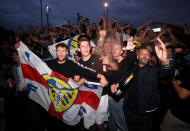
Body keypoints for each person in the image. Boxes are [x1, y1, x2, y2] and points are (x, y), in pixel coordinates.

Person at [111, 38, 174, 131]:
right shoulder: (132, 69)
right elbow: (124, 79)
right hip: (129, 110)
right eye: (142, 54)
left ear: (149, 57)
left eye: (147, 54)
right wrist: (116, 84)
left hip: (145, 113)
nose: (144, 56)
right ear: (138, 56)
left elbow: (167, 73)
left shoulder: (154, 70)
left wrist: (164, 61)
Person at [76, 36, 118, 131]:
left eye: (87, 46)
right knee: (90, 125)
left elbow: (116, 68)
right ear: (79, 49)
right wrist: (80, 82)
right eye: (83, 46)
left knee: (100, 124)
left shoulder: (99, 59)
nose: (86, 48)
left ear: (90, 47)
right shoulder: (77, 64)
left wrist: (109, 62)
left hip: (102, 96)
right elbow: (76, 81)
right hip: (87, 97)